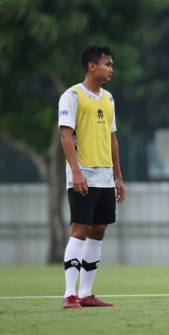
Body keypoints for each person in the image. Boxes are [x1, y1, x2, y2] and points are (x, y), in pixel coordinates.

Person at [58, 44, 126, 309]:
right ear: (91, 66)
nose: (111, 69)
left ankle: (86, 293)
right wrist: (76, 171)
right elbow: (65, 136)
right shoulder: (72, 95)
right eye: (107, 64)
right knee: (80, 229)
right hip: (83, 174)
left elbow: (112, 139)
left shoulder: (108, 99)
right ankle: (68, 294)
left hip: (106, 177)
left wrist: (118, 177)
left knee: (98, 231)